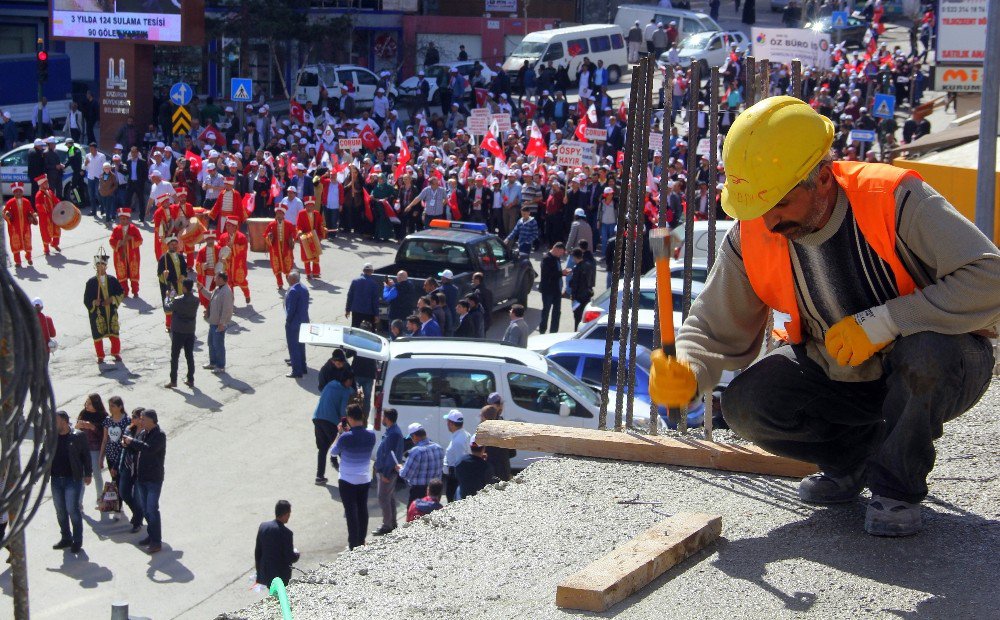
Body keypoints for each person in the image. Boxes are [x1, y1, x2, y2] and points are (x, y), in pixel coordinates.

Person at [649, 96, 1000, 538]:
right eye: (758, 206)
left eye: (781, 203)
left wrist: (886, 322)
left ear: (821, 178)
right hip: (838, 374)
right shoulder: (755, 230)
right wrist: (688, 367)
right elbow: (711, 327)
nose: (770, 220)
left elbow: (990, 275)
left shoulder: (894, 198)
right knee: (747, 404)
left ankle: (896, 487)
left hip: (940, 364)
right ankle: (852, 463)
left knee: (925, 353)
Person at [329, 404, 377, 550]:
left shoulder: (345, 438)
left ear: (349, 418)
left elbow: (333, 452)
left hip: (347, 480)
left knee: (351, 512)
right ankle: (361, 540)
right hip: (364, 478)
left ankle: (353, 544)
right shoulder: (371, 435)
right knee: (363, 509)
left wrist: (339, 434)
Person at [123, 409, 166, 553]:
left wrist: (132, 441)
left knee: (152, 509)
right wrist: (128, 444)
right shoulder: (142, 434)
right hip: (141, 477)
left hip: (153, 479)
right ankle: (151, 535)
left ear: (152, 420)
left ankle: (156, 541)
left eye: (143, 419)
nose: (141, 421)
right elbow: (136, 450)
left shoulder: (159, 435)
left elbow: (149, 449)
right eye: (140, 419)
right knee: (146, 511)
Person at [50, 411, 92, 553]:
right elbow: (43, 454)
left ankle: (77, 540)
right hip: (55, 479)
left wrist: (88, 474)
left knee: (72, 509)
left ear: (64, 421)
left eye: (55, 420)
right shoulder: (50, 436)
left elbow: (86, 455)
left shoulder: (78, 436)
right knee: (60, 511)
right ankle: (66, 538)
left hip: (72, 479)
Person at [84, 249, 125, 365]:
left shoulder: (112, 280)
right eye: (98, 265)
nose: (100, 267)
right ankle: (100, 356)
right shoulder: (91, 282)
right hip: (97, 313)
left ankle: (116, 353)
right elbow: (86, 299)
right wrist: (93, 303)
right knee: (98, 333)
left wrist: (112, 299)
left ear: (106, 266)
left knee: (114, 332)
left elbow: (121, 293)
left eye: (103, 264)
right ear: (95, 266)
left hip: (111, 310)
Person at [313, 370, 354, 485]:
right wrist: (346, 427)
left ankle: (319, 476)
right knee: (340, 447)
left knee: (322, 448)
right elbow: (342, 412)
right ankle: (350, 475)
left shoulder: (331, 384)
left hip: (317, 418)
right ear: (348, 380)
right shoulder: (345, 391)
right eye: (351, 381)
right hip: (330, 421)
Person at [372, 408, 404, 536]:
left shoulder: (393, 434)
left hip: (387, 473)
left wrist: (385, 473)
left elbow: (391, 456)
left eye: (383, 417)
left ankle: (387, 525)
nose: (381, 419)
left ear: (387, 418)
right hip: (385, 471)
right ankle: (392, 522)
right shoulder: (392, 431)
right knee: (389, 497)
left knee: (383, 498)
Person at [254, 500, 300, 587]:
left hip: (267, 573)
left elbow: (258, 552)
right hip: (281, 576)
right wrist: (297, 555)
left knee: (272, 595)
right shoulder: (286, 533)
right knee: (281, 598)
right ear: (286, 514)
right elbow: (289, 557)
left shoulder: (263, 526)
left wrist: (259, 572)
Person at [99, 396, 131, 521]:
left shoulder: (127, 421)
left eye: (113, 406)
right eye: (109, 406)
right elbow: (105, 440)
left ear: (120, 407)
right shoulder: (107, 420)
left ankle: (121, 504)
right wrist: (101, 457)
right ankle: (118, 506)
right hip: (111, 455)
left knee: (122, 481)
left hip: (123, 455)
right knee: (115, 481)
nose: (110, 408)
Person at [396, 423, 444, 503]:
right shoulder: (438, 448)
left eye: (411, 437)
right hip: (435, 491)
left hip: (419, 492)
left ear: (414, 436)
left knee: (416, 514)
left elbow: (405, 474)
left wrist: (400, 468)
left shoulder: (416, 452)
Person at [74, 394, 107, 509]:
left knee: (97, 474)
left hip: (95, 449)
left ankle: (99, 498)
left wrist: (93, 427)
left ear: (95, 404)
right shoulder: (83, 413)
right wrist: (78, 426)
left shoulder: (103, 416)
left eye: (89, 403)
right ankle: (78, 502)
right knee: (82, 475)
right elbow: (75, 430)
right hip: (82, 449)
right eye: (86, 403)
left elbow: (104, 436)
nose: (86, 405)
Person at [166, 279, 199, 388]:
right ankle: (191, 379)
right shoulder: (196, 300)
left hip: (178, 331)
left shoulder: (178, 300)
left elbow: (167, 307)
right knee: (189, 356)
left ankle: (173, 380)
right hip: (190, 330)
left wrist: (168, 296)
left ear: (184, 287)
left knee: (175, 356)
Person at [200, 271, 234, 374]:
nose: (214, 279)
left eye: (216, 278)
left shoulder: (226, 292)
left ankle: (220, 366)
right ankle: (213, 362)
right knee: (211, 343)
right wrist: (201, 289)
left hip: (219, 324)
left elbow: (227, 309)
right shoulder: (218, 289)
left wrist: (222, 323)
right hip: (213, 322)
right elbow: (210, 296)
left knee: (218, 345)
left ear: (221, 279)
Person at [109, 208, 143, 297]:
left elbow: (140, 240)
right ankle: (124, 291)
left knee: (134, 271)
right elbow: (112, 240)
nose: (122, 221)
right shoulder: (116, 229)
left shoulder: (133, 228)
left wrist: (131, 238)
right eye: (121, 219)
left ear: (128, 219)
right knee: (121, 272)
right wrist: (119, 243)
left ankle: (135, 291)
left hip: (133, 255)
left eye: (124, 219)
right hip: (120, 255)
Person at [157, 237, 188, 331]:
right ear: (168, 245)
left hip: (180, 284)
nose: (174, 246)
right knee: (170, 304)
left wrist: (183, 276)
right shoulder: (164, 258)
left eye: (175, 244)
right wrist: (164, 275)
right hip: (170, 285)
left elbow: (184, 268)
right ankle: (169, 325)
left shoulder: (180, 256)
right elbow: (159, 273)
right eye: (172, 244)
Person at [284, 270, 310, 379]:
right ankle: (303, 366)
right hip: (303, 321)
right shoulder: (304, 288)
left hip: (294, 323)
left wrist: (288, 321)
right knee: (301, 345)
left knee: (293, 346)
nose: (287, 279)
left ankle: (297, 370)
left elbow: (291, 309)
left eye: (288, 278)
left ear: (293, 279)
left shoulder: (293, 290)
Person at [442, 410, 471, 502]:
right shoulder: (465, 435)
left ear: (451, 423)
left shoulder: (458, 441)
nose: (446, 424)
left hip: (455, 479)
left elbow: (460, 463)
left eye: (447, 422)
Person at [4, 183, 36, 267]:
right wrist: (7, 214)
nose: (18, 193)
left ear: (22, 192)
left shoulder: (26, 201)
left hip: (25, 226)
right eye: (16, 192)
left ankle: (28, 257)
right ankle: (18, 261)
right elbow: (5, 212)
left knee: (27, 241)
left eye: (20, 191)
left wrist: (33, 215)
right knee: (15, 242)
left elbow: (31, 211)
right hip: (15, 227)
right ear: (13, 193)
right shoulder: (10, 202)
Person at [266, 205, 297, 289]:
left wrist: (292, 239)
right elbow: (265, 234)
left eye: (280, 213)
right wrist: (269, 237)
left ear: (284, 214)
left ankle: (290, 282)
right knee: (276, 266)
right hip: (275, 248)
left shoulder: (289, 224)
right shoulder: (271, 224)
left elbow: (294, 234)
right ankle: (279, 283)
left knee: (288, 266)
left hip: (286, 247)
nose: (279, 215)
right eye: (277, 213)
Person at [539, 242, 567, 335]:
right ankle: (542, 332)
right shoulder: (546, 259)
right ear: (556, 249)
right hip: (548, 290)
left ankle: (553, 333)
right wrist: (561, 273)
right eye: (561, 252)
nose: (562, 255)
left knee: (556, 313)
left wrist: (562, 273)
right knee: (546, 311)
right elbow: (548, 275)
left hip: (557, 290)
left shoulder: (556, 258)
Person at [345, 263, 381, 328]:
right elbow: (375, 301)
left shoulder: (355, 281)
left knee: (355, 330)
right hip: (369, 312)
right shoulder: (374, 284)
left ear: (363, 271)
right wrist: (376, 314)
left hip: (356, 311)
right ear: (372, 271)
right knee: (370, 333)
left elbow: (350, 296)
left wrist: (347, 310)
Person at [568, 248, 595, 329]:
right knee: (584, 317)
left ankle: (577, 333)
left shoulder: (577, 268)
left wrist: (572, 297)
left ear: (575, 257)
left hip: (578, 297)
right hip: (587, 295)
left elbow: (574, 284)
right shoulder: (589, 265)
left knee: (577, 318)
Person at [33, 175, 60, 255]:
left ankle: (55, 244)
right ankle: (46, 248)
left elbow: (55, 199)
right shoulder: (39, 194)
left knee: (56, 230)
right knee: (45, 232)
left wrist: (59, 203)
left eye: (47, 182)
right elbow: (38, 205)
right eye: (45, 183)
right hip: (45, 217)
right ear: (41, 185)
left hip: (53, 215)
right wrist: (42, 208)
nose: (47, 184)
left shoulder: (50, 192)